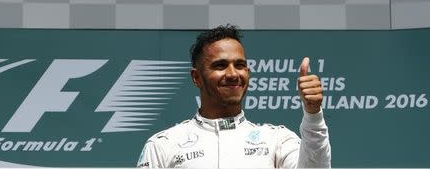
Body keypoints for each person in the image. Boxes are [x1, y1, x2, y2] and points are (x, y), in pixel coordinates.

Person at [137, 24, 331, 168]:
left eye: (239, 65)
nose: (232, 74)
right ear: (196, 77)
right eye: (220, 66)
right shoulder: (164, 145)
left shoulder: (276, 140)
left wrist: (313, 115)